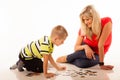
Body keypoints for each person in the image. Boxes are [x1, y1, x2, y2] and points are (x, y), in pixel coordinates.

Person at [56, 5, 114, 70]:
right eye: (83, 20)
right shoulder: (83, 29)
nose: (85, 22)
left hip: (97, 53)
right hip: (83, 49)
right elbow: (76, 47)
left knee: (83, 64)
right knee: (82, 54)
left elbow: (101, 45)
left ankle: (71, 59)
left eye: (87, 19)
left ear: (94, 18)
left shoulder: (106, 22)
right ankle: (68, 58)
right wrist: (86, 47)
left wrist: (101, 64)